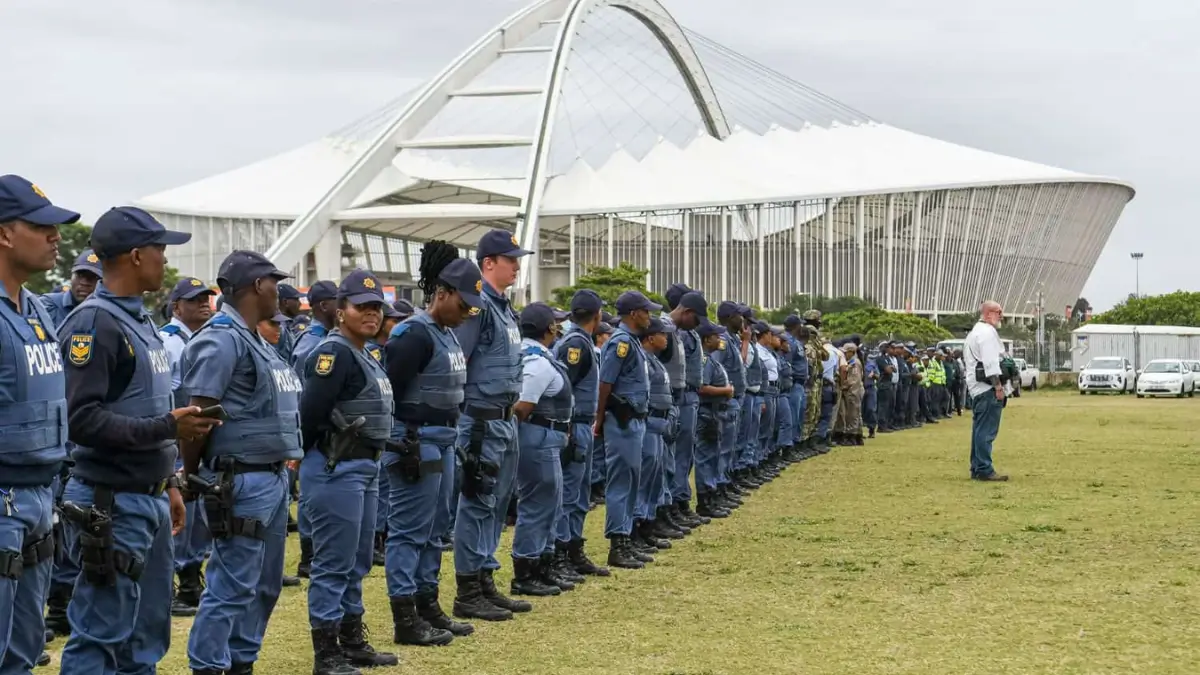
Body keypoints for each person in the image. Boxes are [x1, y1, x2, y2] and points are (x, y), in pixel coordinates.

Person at [57, 206, 218, 675]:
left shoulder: (139, 321)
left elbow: (142, 406)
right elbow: (80, 420)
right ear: (134, 256)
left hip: (147, 496)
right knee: (100, 636)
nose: (164, 259)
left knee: (145, 638)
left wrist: (169, 482)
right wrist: (168, 428)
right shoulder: (94, 323)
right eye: (159, 249)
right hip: (110, 500)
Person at [178, 250, 302, 675]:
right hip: (240, 479)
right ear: (257, 286)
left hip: (270, 477)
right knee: (231, 588)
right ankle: (208, 666)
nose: (278, 291)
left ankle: (241, 663)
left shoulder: (255, 339)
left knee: (264, 586)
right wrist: (191, 475)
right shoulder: (221, 339)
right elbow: (198, 417)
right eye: (274, 283)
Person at [298, 269, 398, 675]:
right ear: (341, 311)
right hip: (336, 466)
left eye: (376, 307)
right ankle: (327, 653)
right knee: (333, 563)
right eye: (362, 307)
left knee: (356, 560)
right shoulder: (334, 354)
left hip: (364, 466)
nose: (372, 314)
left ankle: (352, 640)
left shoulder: (363, 353)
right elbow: (310, 415)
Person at [0, 175, 78, 672]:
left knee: (23, 653)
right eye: (40, 226)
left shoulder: (36, 310)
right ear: (4, 233)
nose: (55, 237)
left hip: (38, 496)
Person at [383, 245, 480, 640]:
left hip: (443, 439)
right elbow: (389, 394)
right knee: (409, 530)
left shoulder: (447, 334)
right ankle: (406, 617)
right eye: (463, 302)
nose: (468, 311)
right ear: (442, 293)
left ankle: (428, 605)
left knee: (437, 528)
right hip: (415, 440)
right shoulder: (413, 334)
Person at [451, 230, 532, 621]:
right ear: (488, 263)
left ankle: (485, 579)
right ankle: (468, 589)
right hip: (481, 420)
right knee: (477, 502)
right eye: (510, 259)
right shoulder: (478, 307)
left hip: (504, 419)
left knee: (498, 503)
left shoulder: (504, 308)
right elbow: (458, 361)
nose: (516, 266)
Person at [159, 276, 217, 617]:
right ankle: (171, 585)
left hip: (196, 438)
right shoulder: (168, 341)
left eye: (206, 298)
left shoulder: (202, 339)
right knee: (177, 516)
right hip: (174, 439)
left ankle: (191, 581)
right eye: (194, 300)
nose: (203, 304)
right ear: (176, 306)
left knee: (196, 517)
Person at [510, 302, 575, 596]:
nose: (558, 327)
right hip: (539, 437)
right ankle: (527, 571)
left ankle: (542, 564)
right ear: (549, 328)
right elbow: (522, 407)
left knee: (550, 504)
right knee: (538, 504)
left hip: (545, 437)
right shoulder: (536, 361)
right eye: (556, 323)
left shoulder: (534, 355)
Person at [551, 290, 610, 579]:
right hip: (574, 425)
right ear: (597, 315)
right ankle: (560, 552)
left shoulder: (582, 341)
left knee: (579, 493)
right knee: (569, 493)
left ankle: (574, 548)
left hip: (582, 425)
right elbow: (565, 389)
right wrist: (570, 427)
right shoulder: (576, 344)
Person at [598, 291, 657, 567]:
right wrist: (599, 418)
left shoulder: (632, 342)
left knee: (633, 479)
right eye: (646, 311)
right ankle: (618, 543)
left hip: (636, 420)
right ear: (634, 313)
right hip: (622, 420)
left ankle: (628, 536)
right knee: (622, 480)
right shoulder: (620, 342)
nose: (650, 317)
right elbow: (605, 383)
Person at [292, 279, 338, 579]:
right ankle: (308, 556)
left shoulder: (330, 339)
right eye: (338, 300)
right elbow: (303, 394)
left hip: (328, 432)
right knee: (311, 493)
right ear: (324, 305)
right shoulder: (312, 343)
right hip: (312, 431)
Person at [660, 287, 708, 531]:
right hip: (675, 398)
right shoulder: (668, 330)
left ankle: (678, 502)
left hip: (685, 397)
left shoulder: (679, 332)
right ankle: (672, 505)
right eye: (696, 318)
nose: (698, 325)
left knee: (683, 455)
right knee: (674, 456)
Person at [635, 317, 681, 551]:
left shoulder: (655, 360)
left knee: (655, 478)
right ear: (651, 338)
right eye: (663, 334)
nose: (667, 338)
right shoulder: (643, 360)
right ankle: (637, 529)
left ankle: (649, 525)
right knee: (644, 480)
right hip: (650, 423)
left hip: (660, 425)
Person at [964, 301, 1009, 481]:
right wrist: (998, 386)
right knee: (986, 431)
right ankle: (984, 468)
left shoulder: (974, 332)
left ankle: (977, 466)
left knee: (979, 429)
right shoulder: (987, 333)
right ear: (989, 313)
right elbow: (991, 363)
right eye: (999, 312)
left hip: (976, 388)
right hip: (986, 388)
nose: (1001, 316)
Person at [694, 320, 733, 518]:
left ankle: (711, 494)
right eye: (716, 336)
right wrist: (725, 390)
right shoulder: (704, 361)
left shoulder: (711, 359)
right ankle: (705, 500)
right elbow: (702, 387)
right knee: (705, 457)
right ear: (707, 340)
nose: (720, 339)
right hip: (707, 412)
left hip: (715, 412)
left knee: (713, 455)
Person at [39, 248, 102, 328]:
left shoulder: (108, 312)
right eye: (80, 275)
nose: (84, 283)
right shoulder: (47, 306)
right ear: (71, 275)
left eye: (93, 277)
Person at [839, 343, 865, 445]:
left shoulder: (855, 363)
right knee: (856, 414)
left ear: (851, 352)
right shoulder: (852, 362)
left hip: (853, 392)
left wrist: (843, 386)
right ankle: (858, 436)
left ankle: (851, 436)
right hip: (854, 391)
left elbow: (854, 380)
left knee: (852, 414)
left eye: (846, 352)